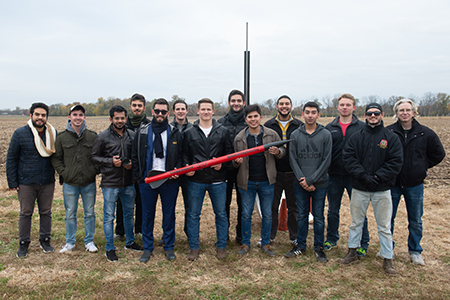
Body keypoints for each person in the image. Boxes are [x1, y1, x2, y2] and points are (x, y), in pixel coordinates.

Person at [338, 103, 403, 276]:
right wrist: (364, 176)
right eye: (369, 113)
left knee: (384, 226)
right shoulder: (356, 137)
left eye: (376, 113)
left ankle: (388, 258)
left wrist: (378, 177)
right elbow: (349, 158)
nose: (373, 116)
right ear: (365, 115)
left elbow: (395, 161)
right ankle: (352, 251)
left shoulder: (391, 137)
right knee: (356, 222)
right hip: (360, 188)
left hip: (382, 189)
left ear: (382, 114)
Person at [387, 99, 445, 265]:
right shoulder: (389, 132)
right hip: (393, 183)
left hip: (415, 184)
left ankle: (415, 250)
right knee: (388, 218)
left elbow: (438, 154)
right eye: (401, 110)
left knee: (415, 220)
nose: (404, 113)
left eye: (408, 110)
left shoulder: (425, 133)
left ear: (414, 112)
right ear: (396, 113)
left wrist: (422, 167)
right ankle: (387, 248)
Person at [132, 98, 183, 262]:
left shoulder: (175, 131)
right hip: (147, 180)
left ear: (168, 113)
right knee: (147, 215)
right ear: (152, 112)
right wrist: (139, 177)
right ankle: (147, 248)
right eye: (157, 111)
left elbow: (181, 155)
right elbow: (135, 155)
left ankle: (169, 247)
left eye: (163, 111)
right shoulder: (143, 131)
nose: (160, 114)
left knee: (169, 215)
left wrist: (178, 170)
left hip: (169, 181)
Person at [90, 105, 143, 262]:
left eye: (122, 118)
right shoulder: (103, 137)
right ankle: (110, 248)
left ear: (126, 119)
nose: (120, 121)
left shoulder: (132, 135)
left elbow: (137, 155)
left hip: (128, 183)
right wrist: (110, 162)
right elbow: (93, 157)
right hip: (110, 183)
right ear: (111, 119)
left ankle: (130, 242)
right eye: (117, 118)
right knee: (108, 217)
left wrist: (131, 164)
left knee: (128, 214)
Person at [183, 98, 233, 261]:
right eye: (202, 109)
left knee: (221, 214)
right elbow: (184, 155)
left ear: (213, 111)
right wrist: (186, 167)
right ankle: (194, 247)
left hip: (217, 181)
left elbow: (229, 155)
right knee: (193, 214)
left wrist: (222, 166)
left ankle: (221, 246)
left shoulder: (223, 131)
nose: (205, 112)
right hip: (196, 181)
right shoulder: (189, 132)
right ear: (197, 111)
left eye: (208, 109)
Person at [233, 104, 286, 256]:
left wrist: (278, 152)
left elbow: (282, 150)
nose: (253, 119)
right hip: (247, 181)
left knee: (267, 214)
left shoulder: (271, 134)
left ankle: (266, 243)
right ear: (246, 119)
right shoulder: (239, 138)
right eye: (250, 117)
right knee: (246, 214)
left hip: (266, 181)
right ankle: (245, 243)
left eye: (256, 116)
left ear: (260, 117)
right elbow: (232, 160)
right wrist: (236, 162)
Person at [7, 102, 57, 258]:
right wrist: (13, 182)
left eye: (43, 115)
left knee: (46, 212)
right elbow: (11, 159)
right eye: (37, 114)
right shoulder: (20, 134)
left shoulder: (52, 134)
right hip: (26, 182)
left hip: (47, 181)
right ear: (31, 115)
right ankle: (23, 243)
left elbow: (58, 158)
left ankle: (45, 240)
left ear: (46, 117)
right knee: (26, 213)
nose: (40, 118)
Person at [324, 93, 370, 257]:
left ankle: (363, 243)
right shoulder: (330, 128)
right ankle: (331, 239)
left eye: (348, 105)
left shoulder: (362, 128)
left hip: (355, 177)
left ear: (354, 107)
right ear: (337, 107)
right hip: (334, 176)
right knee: (333, 210)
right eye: (342, 105)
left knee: (359, 211)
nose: (345, 107)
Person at [286, 101, 332, 262]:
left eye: (313, 112)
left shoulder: (325, 134)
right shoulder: (295, 135)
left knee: (318, 216)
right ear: (302, 114)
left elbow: (326, 160)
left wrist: (312, 179)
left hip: (320, 183)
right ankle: (300, 245)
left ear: (318, 115)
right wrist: (302, 180)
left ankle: (319, 247)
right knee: (302, 215)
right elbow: (293, 159)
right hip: (300, 183)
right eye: (307, 112)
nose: (310, 115)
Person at [51, 105, 99, 253]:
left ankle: (89, 241)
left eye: (80, 115)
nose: (78, 117)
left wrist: (93, 171)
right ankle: (70, 242)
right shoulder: (61, 137)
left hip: (88, 182)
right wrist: (64, 173)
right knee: (70, 213)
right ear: (69, 117)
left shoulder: (92, 136)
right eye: (75, 114)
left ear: (84, 117)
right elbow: (56, 159)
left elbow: (98, 157)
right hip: (70, 183)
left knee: (89, 212)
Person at [264, 95, 302, 246]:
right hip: (275, 172)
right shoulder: (268, 125)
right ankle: (271, 235)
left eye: (287, 104)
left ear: (291, 106)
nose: (284, 106)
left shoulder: (299, 125)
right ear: (277, 107)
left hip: (293, 172)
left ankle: (294, 236)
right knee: (273, 206)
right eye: (281, 104)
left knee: (293, 207)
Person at [115, 93, 150, 241]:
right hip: (125, 171)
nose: (137, 108)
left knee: (141, 202)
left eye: (139, 106)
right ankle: (120, 231)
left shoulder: (149, 125)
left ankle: (139, 230)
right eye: (134, 105)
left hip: (142, 172)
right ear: (130, 107)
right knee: (122, 203)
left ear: (144, 107)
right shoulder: (124, 124)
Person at [218, 89, 247, 245]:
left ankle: (241, 235)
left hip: (243, 170)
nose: (236, 103)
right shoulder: (221, 123)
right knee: (224, 204)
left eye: (239, 101)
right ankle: (224, 235)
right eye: (233, 101)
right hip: (224, 170)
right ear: (229, 103)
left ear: (243, 102)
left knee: (243, 204)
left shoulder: (248, 122)